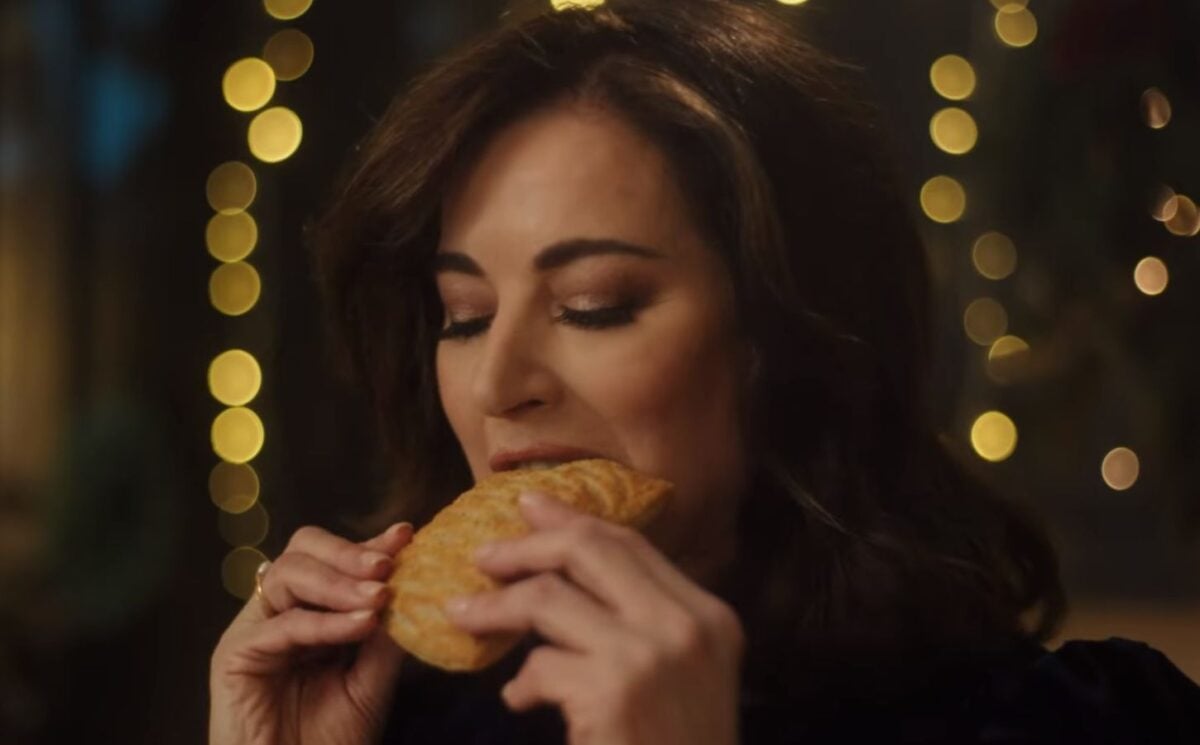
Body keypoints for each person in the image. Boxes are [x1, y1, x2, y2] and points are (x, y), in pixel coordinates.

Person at [208, 1, 1200, 743]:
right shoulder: (390, 718)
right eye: (462, 316)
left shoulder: (1080, 723)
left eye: (594, 303)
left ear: (787, 337)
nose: (496, 379)